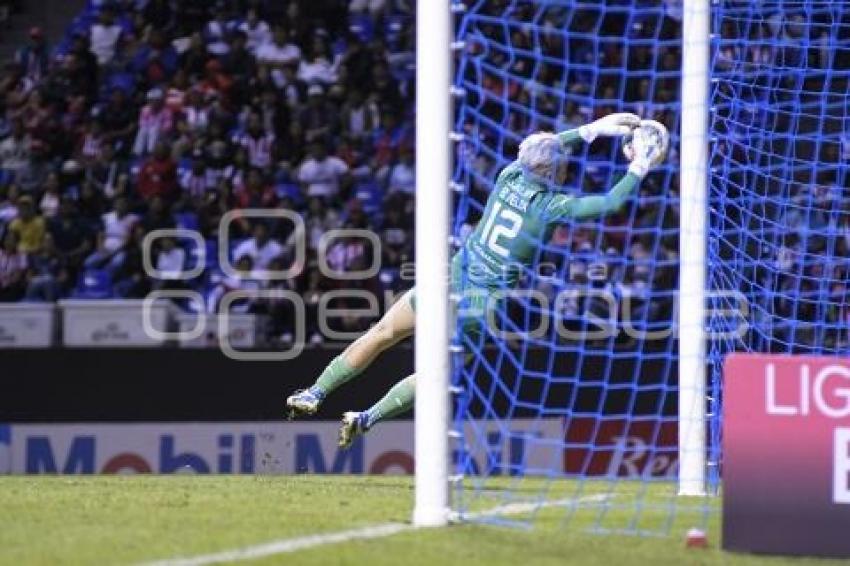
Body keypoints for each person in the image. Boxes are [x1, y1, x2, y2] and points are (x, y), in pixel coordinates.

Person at [286, 113, 668, 447]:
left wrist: (589, 131)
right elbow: (609, 204)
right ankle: (366, 417)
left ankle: (315, 392)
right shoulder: (551, 207)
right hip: (479, 303)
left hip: (448, 280)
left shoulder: (508, 175)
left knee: (382, 333)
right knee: (438, 372)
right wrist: (639, 165)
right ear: (555, 171)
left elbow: (546, 151)